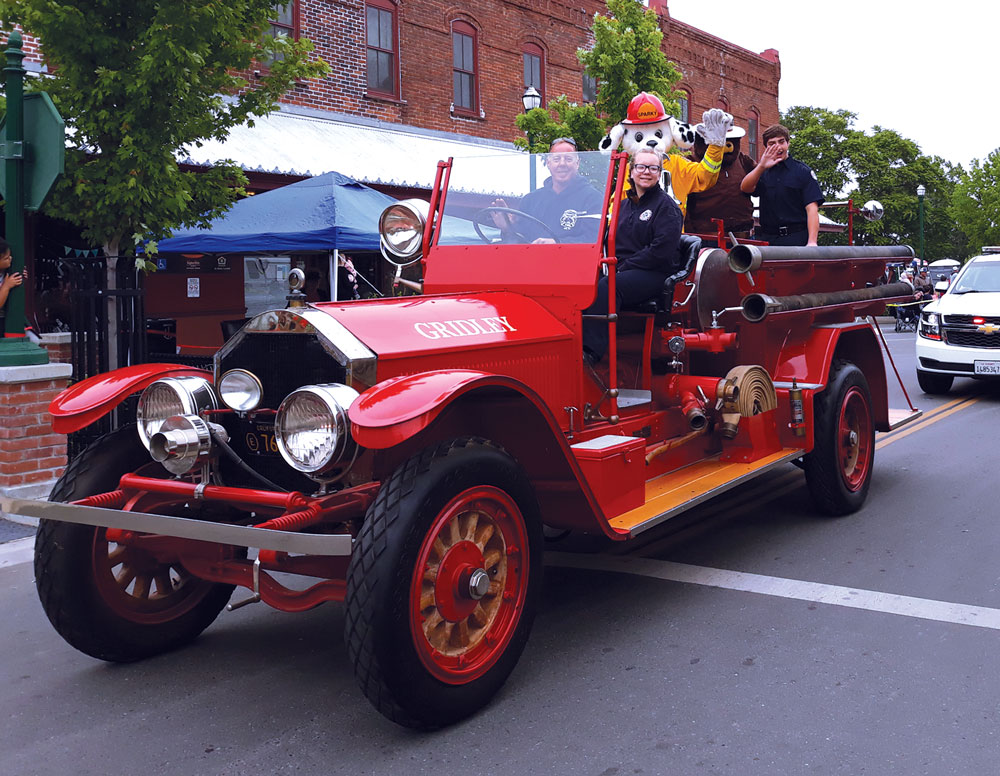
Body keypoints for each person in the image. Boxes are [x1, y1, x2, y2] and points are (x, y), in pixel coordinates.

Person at [582, 148, 682, 364]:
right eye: (641, 166)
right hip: (621, 269)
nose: (646, 172)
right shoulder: (622, 206)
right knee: (582, 283)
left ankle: (590, 352)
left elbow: (661, 251)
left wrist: (623, 267)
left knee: (609, 286)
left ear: (659, 173)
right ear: (632, 170)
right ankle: (568, 342)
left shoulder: (667, 208)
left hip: (654, 273)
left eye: (653, 168)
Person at [492, 137, 604, 244]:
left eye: (568, 159)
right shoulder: (530, 200)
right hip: (533, 263)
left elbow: (594, 239)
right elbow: (519, 243)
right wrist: (507, 228)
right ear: (548, 163)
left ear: (577, 163)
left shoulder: (593, 199)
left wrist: (557, 244)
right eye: (556, 159)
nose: (562, 163)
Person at [740, 124, 823, 246]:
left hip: (796, 238)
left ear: (788, 143)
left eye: (781, 141)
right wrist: (761, 166)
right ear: (766, 147)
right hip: (768, 238)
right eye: (772, 144)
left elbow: (812, 209)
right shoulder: (762, 171)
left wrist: (812, 242)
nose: (777, 147)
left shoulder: (803, 171)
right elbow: (745, 188)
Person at [685, 125, 756, 237]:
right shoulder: (690, 163)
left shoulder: (743, 160)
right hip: (706, 236)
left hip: (743, 235)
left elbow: (760, 185)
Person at [0, 238, 27, 334]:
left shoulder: (7, 270)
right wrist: (6, 286)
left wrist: (20, 276)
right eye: (6, 258)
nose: (10, 259)